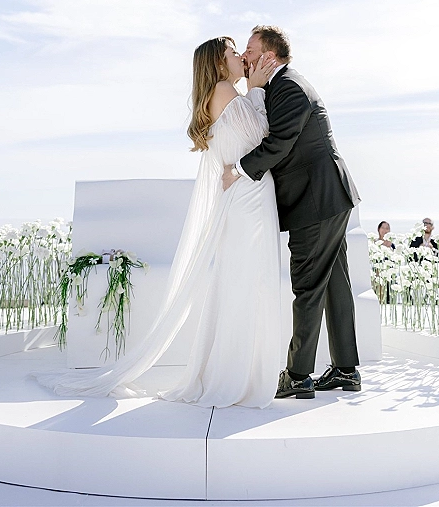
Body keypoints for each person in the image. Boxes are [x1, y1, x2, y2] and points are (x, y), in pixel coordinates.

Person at [35, 36, 281, 407]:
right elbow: (261, 136)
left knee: (245, 282)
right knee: (248, 283)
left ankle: (243, 370)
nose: (240, 57)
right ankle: (239, 376)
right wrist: (258, 89)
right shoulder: (223, 91)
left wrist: (251, 90)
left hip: (247, 196)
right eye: (233, 53)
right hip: (248, 198)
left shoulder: (227, 93)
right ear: (218, 63)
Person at [222, 25, 361, 399]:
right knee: (333, 284)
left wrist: (236, 169)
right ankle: (346, 371)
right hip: (326, 199)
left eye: (249, 50)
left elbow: (278, 144)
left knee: (308, 285)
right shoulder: (277, 87)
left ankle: (298, 375)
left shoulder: (289, 88)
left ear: (269, 55)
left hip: (316, 202)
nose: (246, 57)